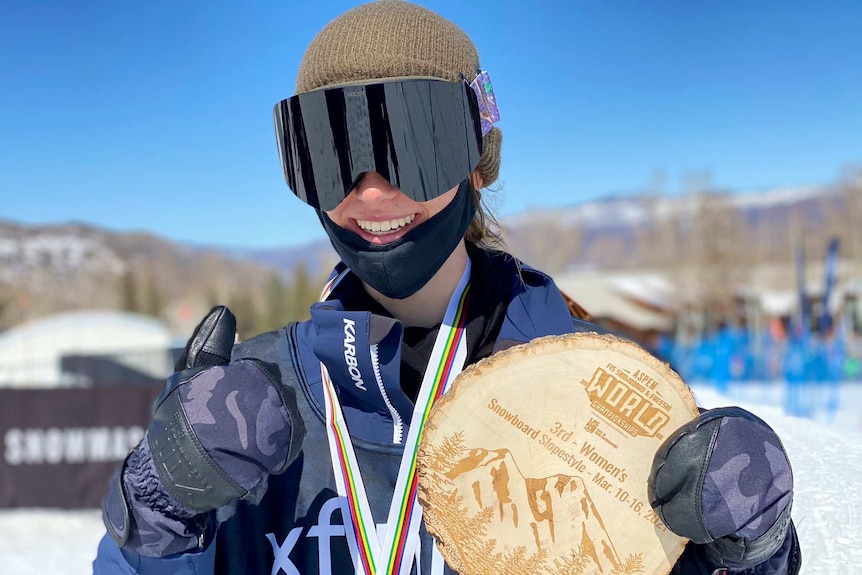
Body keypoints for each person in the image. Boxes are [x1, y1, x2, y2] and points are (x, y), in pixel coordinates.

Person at [93, 2, 801, 574]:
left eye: (412, 142)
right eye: (332, 150)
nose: (371, 189)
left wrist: (755, 548)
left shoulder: (602, 395)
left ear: (478, 162)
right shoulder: (247, 409)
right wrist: (160, 502)